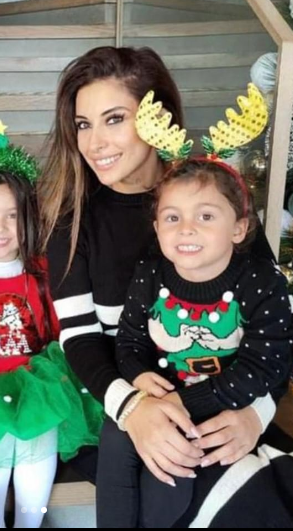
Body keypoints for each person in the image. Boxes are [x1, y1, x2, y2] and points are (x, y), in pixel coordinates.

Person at [39, 46, 292, 527]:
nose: (94, 142)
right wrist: (133, 410)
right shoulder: (71, 222)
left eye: (115, 119)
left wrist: (256, 414)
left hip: (225, 398)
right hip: (119, 399)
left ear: (159, 119)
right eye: (83, 124)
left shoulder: (214, 199)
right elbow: (81, 338)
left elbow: (273, 328)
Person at [106, 85, 292, 525]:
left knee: (184, 481)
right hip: (158, 402)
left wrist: (190, 404)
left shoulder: (261, 282)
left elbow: (265, 365)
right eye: (173, 217)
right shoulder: (151, 274)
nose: (186, 229)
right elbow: (129, 342)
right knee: (117, 444)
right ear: (157, 227)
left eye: (205, 216)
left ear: (239, 228)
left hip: (224, 406)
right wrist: (139, 379)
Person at [0, 123, 103, 528]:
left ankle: (29, 524)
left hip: (35, 380)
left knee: (38, 430)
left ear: (29, 219)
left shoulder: (42, 273)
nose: (0, 228)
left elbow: (61, 327)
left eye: (12, 216)